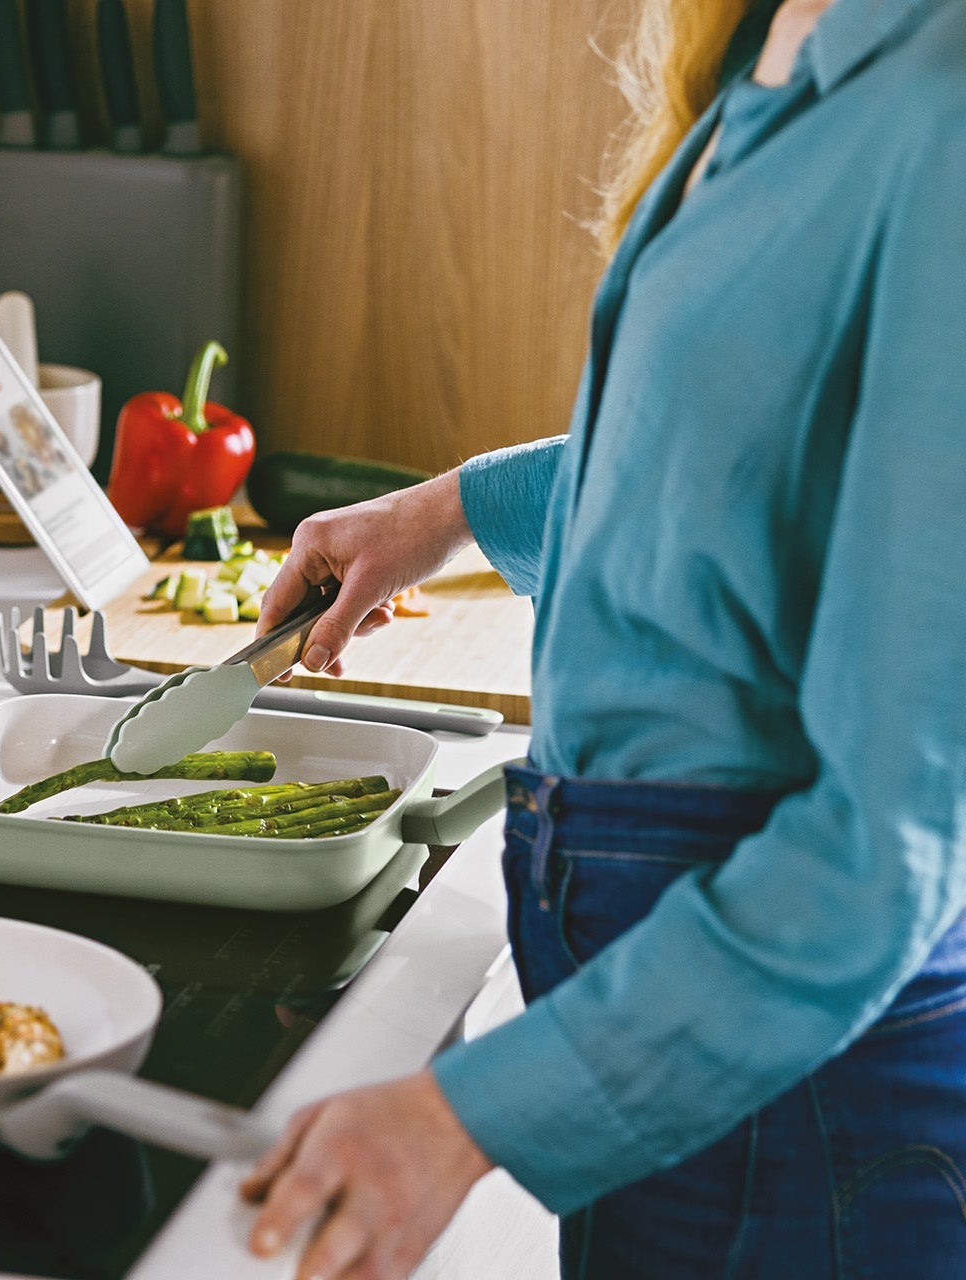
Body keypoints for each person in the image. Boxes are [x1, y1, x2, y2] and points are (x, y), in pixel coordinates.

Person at [239, 0, 966, 1275]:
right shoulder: (775, 48)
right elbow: (725, 453)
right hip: (697, 1064)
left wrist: (460, 1118)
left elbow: (879, 856)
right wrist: (447, 510)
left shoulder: (946, 102)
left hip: (809, 1103)